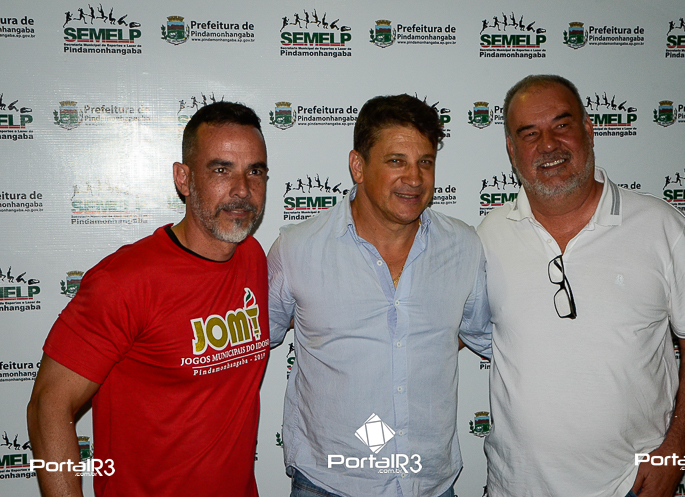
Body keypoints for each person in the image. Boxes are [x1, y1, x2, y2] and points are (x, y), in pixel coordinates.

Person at [477, 75, 685, 497]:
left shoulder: (661, 226)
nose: (548, 144)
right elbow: (447, 329)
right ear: (512, 150)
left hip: (630, 486)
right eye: (530, 134)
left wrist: (674, 455)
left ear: (589, 130)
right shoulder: (488, 235)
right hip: (514, 486)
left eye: (561, 125)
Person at [27, 102, 271, 497]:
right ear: (183, 179)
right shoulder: (125, 281)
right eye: (221, 170)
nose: (242, 190)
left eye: (255, 171)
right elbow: (47, 406)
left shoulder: (253, 258)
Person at [268, 94, 491, 497]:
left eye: (425, 162)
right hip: (329, 483)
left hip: (430, 484)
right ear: (358, 166)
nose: (415, 178)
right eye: (396, 161)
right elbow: (251, 343)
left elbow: (482, 334)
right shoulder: (298, 249)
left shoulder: (463, 246)